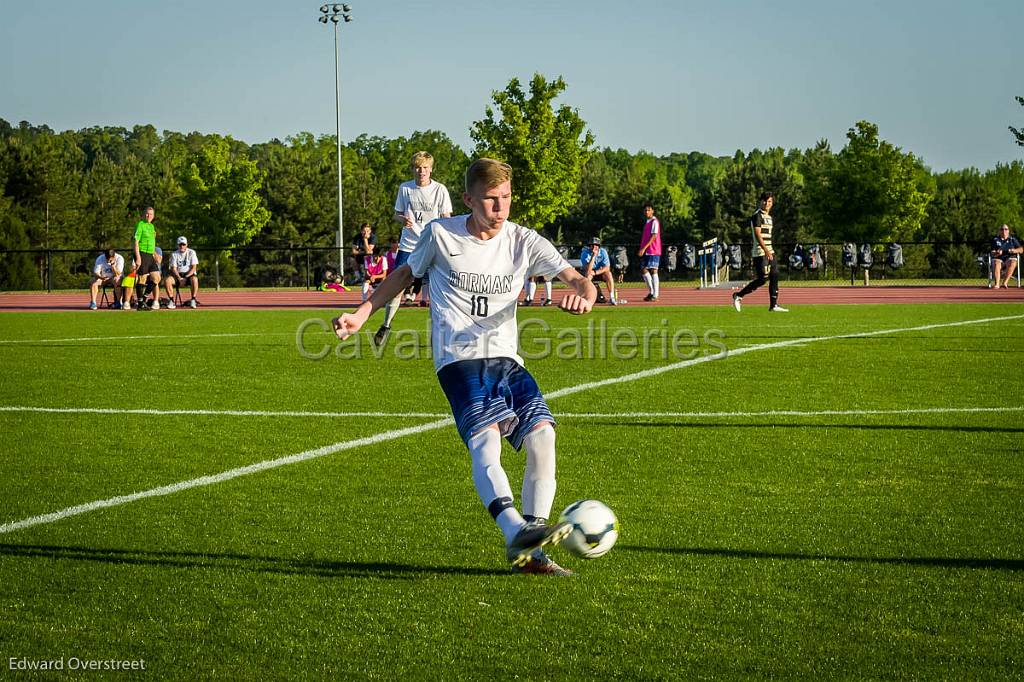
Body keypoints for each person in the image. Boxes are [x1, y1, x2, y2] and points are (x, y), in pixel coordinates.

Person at [332, 158, 597, 576]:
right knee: (486, 441)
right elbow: (404, 274)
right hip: (459, 360)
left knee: (544, 437)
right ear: (469, 199)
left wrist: (586, 293)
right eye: (491, 199)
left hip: (508, 360)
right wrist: (363, 313)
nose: (500, 207)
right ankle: (514, 532)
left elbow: (578, 278)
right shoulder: (441, 234)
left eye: (506, 197)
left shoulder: (523, 240)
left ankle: (534, 541)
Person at [374, 151, 454, 348]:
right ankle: (386, 325)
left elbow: (447, 217)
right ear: (413, 169)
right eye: (418, 167)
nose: (422, 171)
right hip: (409, 245)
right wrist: (403, 220)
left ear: (431, 169)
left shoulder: (440, 189)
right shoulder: (405, 188)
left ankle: (443, 332)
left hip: (433, 245)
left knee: (440, 289)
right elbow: (397, 214)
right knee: (396, 288)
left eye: (425, 168)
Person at [732, 192, 788, 312]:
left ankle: (774, 305)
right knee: (762, 279)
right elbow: (758, 235)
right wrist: (766, 250)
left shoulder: (769, 218)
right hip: (760, 252)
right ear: (760, 201)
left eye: (769, 201)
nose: (767, 203)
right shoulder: (757, 216)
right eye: (765, 201)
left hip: (770, 251)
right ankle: (738, 295)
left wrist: (770, 251)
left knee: (775, 275)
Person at [131, 206, 162, 310]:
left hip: (150, 255)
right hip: (142, 253)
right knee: (142, 278)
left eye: (151, 214)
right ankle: (140, 304)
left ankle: (143, 299)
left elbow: (152, 242)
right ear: (144, 214)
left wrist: (155, 254)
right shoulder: (140, 225)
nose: (149, 216)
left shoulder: (151, 226)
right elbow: (135, 242)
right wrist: (138, 257)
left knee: (156, 278)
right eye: (147, 214)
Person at [579, 237, 619, 305]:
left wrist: (595, 272)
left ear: (599, 246)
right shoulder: (585, 253)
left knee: (608, 274)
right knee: (588, 276)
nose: (594, 247)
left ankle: (612, 298)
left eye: (596, 245)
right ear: (589, 246)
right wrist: (593, 256)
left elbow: (607, 267)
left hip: (599, 272)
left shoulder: (603, 252)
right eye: (592, 245)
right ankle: (587, 298)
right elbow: (588, 270)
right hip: (589, 273)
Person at [164, 236, 200, 309]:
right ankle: (171, 301)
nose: (182, 246)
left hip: (189, 275)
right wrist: (179, 278)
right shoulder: (174, 254)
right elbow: (173, 268)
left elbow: (194, 268)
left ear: (187, 244)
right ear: (178, 245)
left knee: (195, 279)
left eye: (183, 244)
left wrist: (186, 277)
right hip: (178, 275)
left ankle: (193, 300)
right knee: (167, 280)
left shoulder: (192, 252)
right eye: (180, 244)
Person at [638, 203, 662, 301]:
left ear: (653, 211)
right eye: (645, 210)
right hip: (647, 250)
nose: (647, 212)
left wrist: (644, 248)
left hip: (653, 249)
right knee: (644, 269)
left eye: (649, 210)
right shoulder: (647, 222)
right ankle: (651, 292)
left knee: (653, 270)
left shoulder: (654, 222)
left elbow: (654, 236)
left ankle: (655, 295)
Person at [990, 224, 1022, 289]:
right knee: (996, 263)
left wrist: (1014, 250)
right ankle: (997, 284)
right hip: (999, 258)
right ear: (999, 231)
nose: (1004, 231)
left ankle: (1005, 283)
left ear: (1008, 231)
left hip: (1010, 258)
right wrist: (997, 252)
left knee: (1013, 262)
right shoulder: (995, 240)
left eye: (1006, 229)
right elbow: (992, 252)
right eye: (1002, 229)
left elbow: (1021, 249)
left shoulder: (1013, 239)